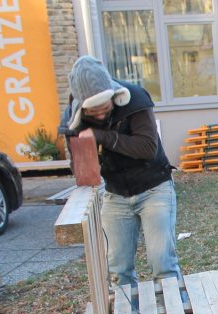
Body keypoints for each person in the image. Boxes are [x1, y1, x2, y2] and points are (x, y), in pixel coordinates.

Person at [59, 56, 182, 289]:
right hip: (115, 194)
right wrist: (84, 150)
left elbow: (147, 148)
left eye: (104, 108)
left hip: (154, 188)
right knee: (118, 271)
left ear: (113, 96)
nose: (101, 116)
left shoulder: (135, 99)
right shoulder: (73, 120)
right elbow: (80, 169)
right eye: (93, 113)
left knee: (163, 265)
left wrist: (101, 137)